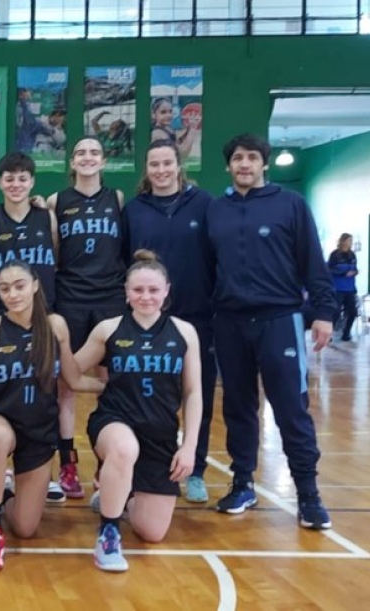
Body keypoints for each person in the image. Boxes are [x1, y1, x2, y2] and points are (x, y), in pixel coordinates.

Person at [207, 133, 335, 529]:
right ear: (228, 166)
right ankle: (242, 482)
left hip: (280, 321)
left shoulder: (291, 205)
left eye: (251, 158)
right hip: (229, 323)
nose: (244, 164)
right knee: (238, 409)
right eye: (237, 158)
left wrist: (324, 312)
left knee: (291, 409)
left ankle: (308, 495)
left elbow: (313, 261)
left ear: (264, 164)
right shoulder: (216, 210)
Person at [0, 260, 103, 572]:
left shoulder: (56, 326)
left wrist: (112, 385)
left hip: (39, 430)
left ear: (35, 285)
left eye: (20, 285)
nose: (13, 294)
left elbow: (73, 379)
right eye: (5, 288)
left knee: (25, 527)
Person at [74, 250, 202, 572]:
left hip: (160, 433)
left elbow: (193, 391)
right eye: (138, 290)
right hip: (114, 421)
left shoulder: (184, 332)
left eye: (154, 290)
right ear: (126, 292)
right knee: (123, 447)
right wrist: (101, 387)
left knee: (152, 532)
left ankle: (116, 492)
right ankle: (109, 534)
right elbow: (72, 374)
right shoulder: (109, 329)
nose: (146, 297)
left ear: (167, 291)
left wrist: (189, 448)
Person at [123, 140, 216, 503]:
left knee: (198, 392)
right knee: (138, 396)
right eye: (153, 164)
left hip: (196, 315)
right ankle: (133, 471)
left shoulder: (204, 204)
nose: (161, 170)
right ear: (146, 170)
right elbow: (123, 262)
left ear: (179, 166)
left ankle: (195, 469)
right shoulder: (134, 210)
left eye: (167, 163)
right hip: (146, 318)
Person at [39, 136, 126, 501]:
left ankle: (110, 464)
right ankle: (68, 463)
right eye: (80, 153)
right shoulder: (57, 202)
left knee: (113, 381)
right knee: (66, 385)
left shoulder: (117, 199)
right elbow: (55, 249)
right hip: (72, 297)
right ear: (71, 162)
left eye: (94, 152)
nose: (87, 158)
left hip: (110, 300)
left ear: (103, 160)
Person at [0, 151, 58, 325]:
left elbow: (57, 258)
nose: (16, 184)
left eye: (22, 179)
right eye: (9, 179)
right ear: (0, 182)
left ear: (32, 182)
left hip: (41, 310)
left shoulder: (48, 217)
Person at [327, 233, 358, 341]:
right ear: (343, 241)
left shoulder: (352, 255)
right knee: (335, 312)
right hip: (338, 288)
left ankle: (346, 333)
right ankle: (329, 334)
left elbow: (354, 268)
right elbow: (329, 270)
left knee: (352, 312)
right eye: (349, 240)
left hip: (350, 288)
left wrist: (355, 272)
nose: (350, 243)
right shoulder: (335, 255)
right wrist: (343, 273)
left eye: (351, 241)